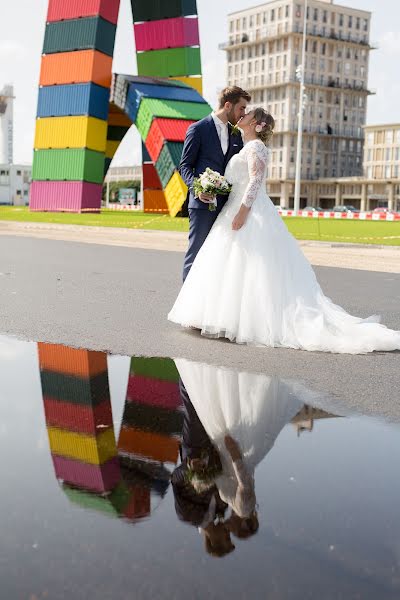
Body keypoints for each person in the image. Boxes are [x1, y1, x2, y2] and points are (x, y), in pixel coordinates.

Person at [169, 108, 400, 354]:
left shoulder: (256, 147)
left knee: (251, 268)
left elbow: (256, 180)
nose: (242, 116)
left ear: (256, 124)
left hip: (248, 211)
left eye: (247, 115)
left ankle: (249, 322)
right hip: (233, 208)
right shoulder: (244, 145)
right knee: (233, 266)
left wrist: (243, 211)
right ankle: (220, 316)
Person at [179, 86, 251, 281]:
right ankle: (187, 303)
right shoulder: (198, 129)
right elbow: (184, 166)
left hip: (227, 207)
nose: (243, 113)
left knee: (220, 256)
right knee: (196, 254)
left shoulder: (236, 134)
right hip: (202, 205)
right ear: (228, 105)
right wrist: (197, 189)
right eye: (241, 108)